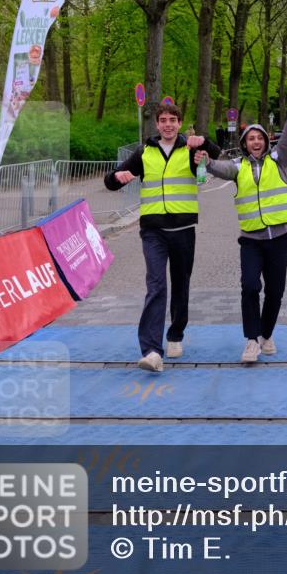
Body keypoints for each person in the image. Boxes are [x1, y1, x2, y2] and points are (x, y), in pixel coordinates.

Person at [104, 102, 220, 373]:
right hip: (153, 231)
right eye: (163, 120)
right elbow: (111, 180)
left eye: (173, 120)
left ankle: (176, 334)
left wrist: (203, 141)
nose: (168, 124)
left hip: (183, 230)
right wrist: (116, 178)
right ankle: (152, 350)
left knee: (180, 285)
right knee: (156, 286)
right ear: (156, 124)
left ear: (180, 123)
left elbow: (216, 155)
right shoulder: (144, 152)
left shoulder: (190, 149)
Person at [194, 88, 287, 363]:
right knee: (250, 286)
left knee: (275, 291)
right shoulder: (237, 167)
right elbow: (216, 168)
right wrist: (205, 162)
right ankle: (251, 340)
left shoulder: (279, 161)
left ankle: (266, 334)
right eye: (251, 139)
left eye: (260, 138)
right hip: (251, 239)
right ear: (244, 144)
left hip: (279, 238)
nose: (256, 142)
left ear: (267, 142)